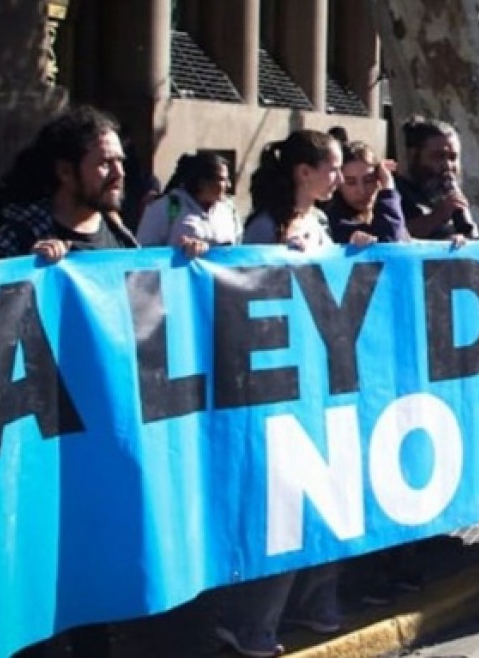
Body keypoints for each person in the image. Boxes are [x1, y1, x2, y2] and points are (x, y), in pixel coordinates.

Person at [213, 130, 345, 657]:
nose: (337, 177)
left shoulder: (319, 222)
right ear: (303, 172)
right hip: (273, 382)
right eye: (331, 167)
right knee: (284, 508)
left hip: (317, 377)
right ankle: (252, 624)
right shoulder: (264, 227)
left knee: (330, 494)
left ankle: (316, 601)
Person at [0, 106, 137, 261]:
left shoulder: (122, 239)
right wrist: (27, 269)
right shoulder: (18, 238)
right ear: (65, 171)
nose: (119, 173)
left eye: (120, 161)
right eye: (105, 163)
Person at [135, 152, 240, 256]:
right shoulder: (166, 207)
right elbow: (145, 253)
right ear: (202, 182)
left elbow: (239, 249)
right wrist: (180, 252)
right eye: (222, 179)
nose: (229, 185)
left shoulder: (229, 210)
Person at [396, 118, 476, 241]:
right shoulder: (392, 193)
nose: (448, 166)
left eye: (453, 157)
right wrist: (439, 216)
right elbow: (393, 234)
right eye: (438, 157)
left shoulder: (447, 196)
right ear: (413, 156)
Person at [324, 141, 410, 246]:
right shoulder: (334, 222)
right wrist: (388, 190)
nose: (361, 190)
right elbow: (389, 241)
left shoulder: (383, 212)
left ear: (378, 179)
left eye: (368, 180)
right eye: (351, 182)